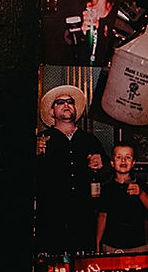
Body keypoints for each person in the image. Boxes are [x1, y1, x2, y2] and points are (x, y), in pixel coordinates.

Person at [34, 84, 106, 255]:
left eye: (70, 102)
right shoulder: (41, 140)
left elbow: (108, 174)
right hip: (52, 221)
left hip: (84, 219)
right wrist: (33, 155)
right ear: (52, 112)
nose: (66, 105)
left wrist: (101, 165)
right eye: (60, 102)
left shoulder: (90, 140)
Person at [96, 143, 148, 253]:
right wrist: (97, 243)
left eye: (128, 157)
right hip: (111, 245)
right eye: (119, 157)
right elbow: (102, 217)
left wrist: (141, 194)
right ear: (112, 163)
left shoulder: (141, 184)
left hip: (137, 245)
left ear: (133, 163)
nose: (123, 161)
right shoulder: (107, 187)